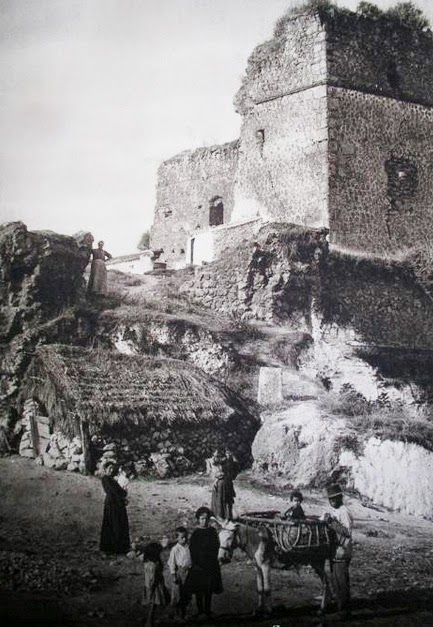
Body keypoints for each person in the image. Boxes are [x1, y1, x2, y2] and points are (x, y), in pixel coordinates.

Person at [322, 483, 353, 619]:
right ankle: (339, 605)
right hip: (335, 550)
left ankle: (345, 610)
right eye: (330, 499)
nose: (332, 501)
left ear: (340, 498)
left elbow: (347, 532)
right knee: (335, 580)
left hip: (343, 549)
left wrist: (332, 523)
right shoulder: (335, 511)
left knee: (341, 581)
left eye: (335, 499)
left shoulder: (344, 512)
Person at [186, 506, 223, 620]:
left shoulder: (212, 531)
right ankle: (200, 610)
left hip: (211, 565)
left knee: (209, 589)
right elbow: (192, 549)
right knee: (199, 590)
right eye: (202, 518)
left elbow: (217, 545)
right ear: (198, 519)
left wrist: (216, 559)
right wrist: (195, 563)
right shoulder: (196, 533)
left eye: (206, 518)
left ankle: (208, 610)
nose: (204, 521)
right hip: (199, 566)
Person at [99, 463, 130, 555]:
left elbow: (120, 492)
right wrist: (123, 496)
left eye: (112, 468)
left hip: (118, 504)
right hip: (112, 504)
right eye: (109, 468)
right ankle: (113, 548)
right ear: (105, 470)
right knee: (113, 524)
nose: (111, 470)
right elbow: (116, 491)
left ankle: (120, 547)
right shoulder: (105, 479)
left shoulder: (112, 480)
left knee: (120, 524)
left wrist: (122, 496)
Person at [140, 542, 169, 627]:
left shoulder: (148, 563)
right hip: (154, 586)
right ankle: (149, 621)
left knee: (153, 604)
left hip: (152, 585)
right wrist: (151, 587)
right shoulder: (153, 565)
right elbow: (151, 578)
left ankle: (149, 620)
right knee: (153, 604)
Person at [167, 526, 192, 622]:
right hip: (179, 573)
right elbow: (171, 563)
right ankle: (177, 614)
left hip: (188, 572)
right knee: (178, 594)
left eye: (185, 537)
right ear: (177, 538)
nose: (184, 539)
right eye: (182, 537)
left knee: (186, 594)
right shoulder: (175, 549)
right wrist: (174, 575)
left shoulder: (188, 547)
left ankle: (184, 614)